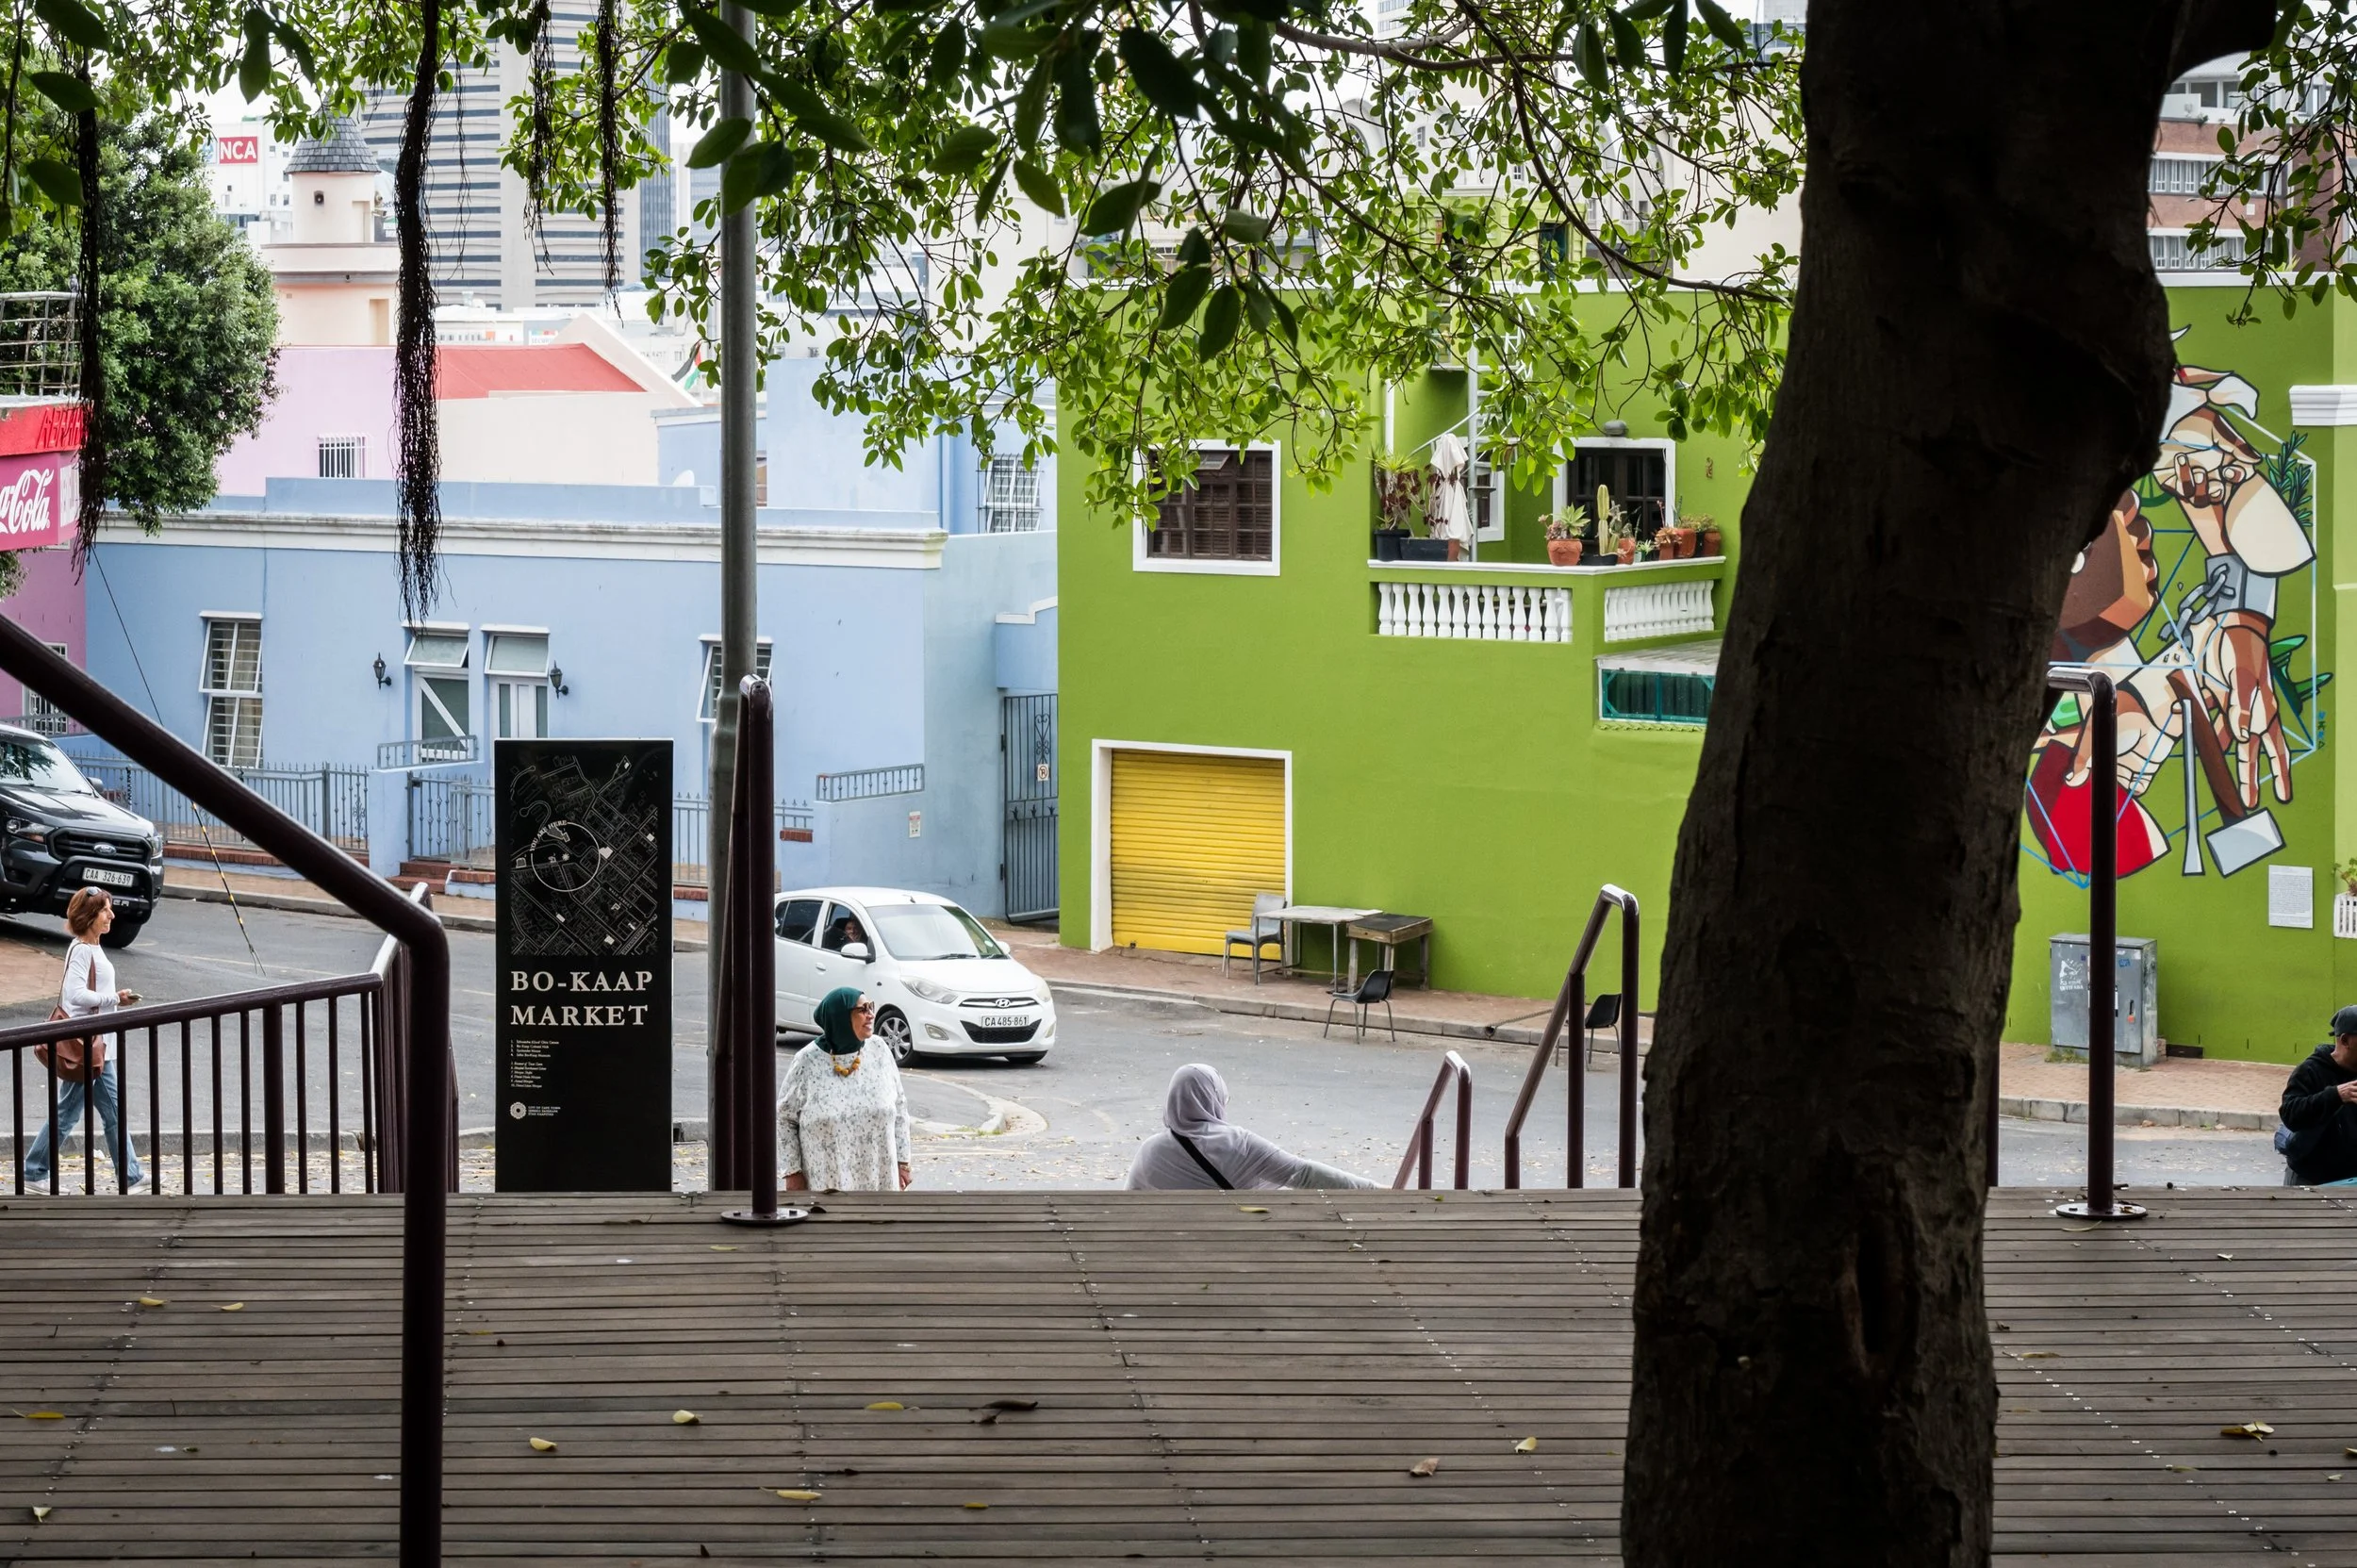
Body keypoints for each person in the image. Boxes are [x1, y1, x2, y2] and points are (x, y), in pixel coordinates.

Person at [25, 888, 144, 1192]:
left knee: (112, 1112)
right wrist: (114, 998)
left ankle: (131, 1176)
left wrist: (114, 1000)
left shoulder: (92, 946)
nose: (111, 915)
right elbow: (75, 995)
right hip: (87, 1046)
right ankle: (34, 1172)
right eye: (105, 910)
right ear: (90, 916)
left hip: (99, 1047)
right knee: (69, 1113)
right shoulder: (81, 949)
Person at [1127, 1063, 1380, 1192]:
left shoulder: (1151, 1150)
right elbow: (1303, 1174)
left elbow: (1130, 1202)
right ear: (1215, 1097)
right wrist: (1375, 1191)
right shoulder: (1238, 1143)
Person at [779, 986, 911, 1193]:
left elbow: (899, 1106)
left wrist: (903, 1162)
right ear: (839, 1018)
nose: (871, 1015)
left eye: (871, 1007)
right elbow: (784, 1119)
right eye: (862, 1010)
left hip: (880, 1177)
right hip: (828, 1181)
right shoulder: (807, 1061)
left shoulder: (879, 1050)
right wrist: (792, 1173)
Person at [2279, 1005, 2357, 1185]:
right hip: (2311, 1178)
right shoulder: (2310, 1070)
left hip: (2352, 1178)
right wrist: (2335, 1096)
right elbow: (2290, 1114)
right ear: (2345, 1040)